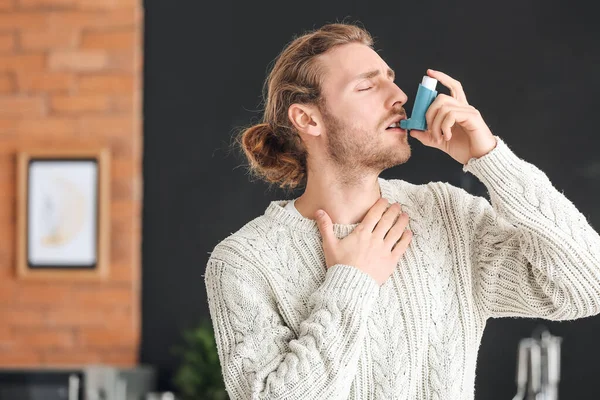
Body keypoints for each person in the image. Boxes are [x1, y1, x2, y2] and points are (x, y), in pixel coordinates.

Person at [203, 22, 600, 399]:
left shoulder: (445, 215)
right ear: (308, 118)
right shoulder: (244, 261)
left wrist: (490, 158)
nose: (398, 97)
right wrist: (352, 280)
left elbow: (585, 288)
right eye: (366, 87)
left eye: (390, 79)